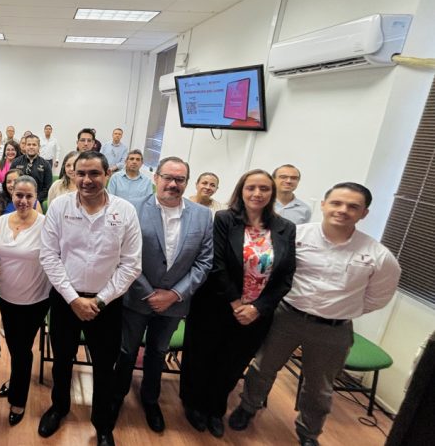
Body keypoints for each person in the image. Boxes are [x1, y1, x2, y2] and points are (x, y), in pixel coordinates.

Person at [229, 182, 401, 446]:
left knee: (319, 388)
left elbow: (377, 298)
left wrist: (338, 310)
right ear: (323, 204)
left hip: (334, 329)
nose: (342, 210)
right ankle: (247, 408)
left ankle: (309, 432)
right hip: (287, 316)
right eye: (336, 203)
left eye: (353, 206)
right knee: (263, 367)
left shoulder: (378, 256)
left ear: (364, 213)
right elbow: (274, 274)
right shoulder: (294, 236)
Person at [179, 169, 296, 438]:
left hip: (256, 314)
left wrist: (258, 307)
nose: (257, 193)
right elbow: (216, 264)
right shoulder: (224, 219)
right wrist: (235, 302)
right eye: (251, 188)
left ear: (272, 193)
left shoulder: (284, 228)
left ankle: (215, 409)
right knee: (202, 357)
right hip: (216, 304)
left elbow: (286, 274)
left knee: (232, 363)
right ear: (241, 191)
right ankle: (193, 405)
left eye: (264, 189)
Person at [38, 151, 142, 446]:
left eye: (94, 173)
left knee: (104, 365)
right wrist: (73, 299)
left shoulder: (125, 211)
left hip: (106, 305)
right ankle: (59, 407)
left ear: (107, 174)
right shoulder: (59, 207)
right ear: (72, 174)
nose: (87, 180)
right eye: (81, 173)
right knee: (61, 360)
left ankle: (103, 423)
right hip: (64, 300)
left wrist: (100, 300)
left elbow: (132, 263)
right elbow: (49, 255)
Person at [112, 156, 213, 433]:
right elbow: (123, 254)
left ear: (186, 183)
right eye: (168, 177)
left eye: (179, 179)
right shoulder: (133, 208)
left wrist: (174, 295)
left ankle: (150, 399)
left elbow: (204, 262)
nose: (173, 184)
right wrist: (148, 293)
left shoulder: (203, 215)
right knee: (126, 350)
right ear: (156, 178)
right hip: (137, 297)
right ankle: (116, 396)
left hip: (175, 303)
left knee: (158, 352)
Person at [0, 176, 50, 426]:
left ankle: (19, 398)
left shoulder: (46, 225)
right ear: (11, 194)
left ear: (36, 196)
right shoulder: (2, 221)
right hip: (5, 295)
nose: (23, 200)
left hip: (35, 298)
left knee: (22, 348)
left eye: (29, 196)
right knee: (14, 345)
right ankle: (16, 380)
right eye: (19, 195)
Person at [10, 134, 52, 203]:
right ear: (25, 146)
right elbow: (11, 183)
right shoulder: (16, 162)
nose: (31, 147)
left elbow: (47, 188)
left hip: (36, 202)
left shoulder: (46, 165)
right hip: (17, 201)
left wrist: (34, 200)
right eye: (29, 144)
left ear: (39, 147)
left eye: (34, 145)